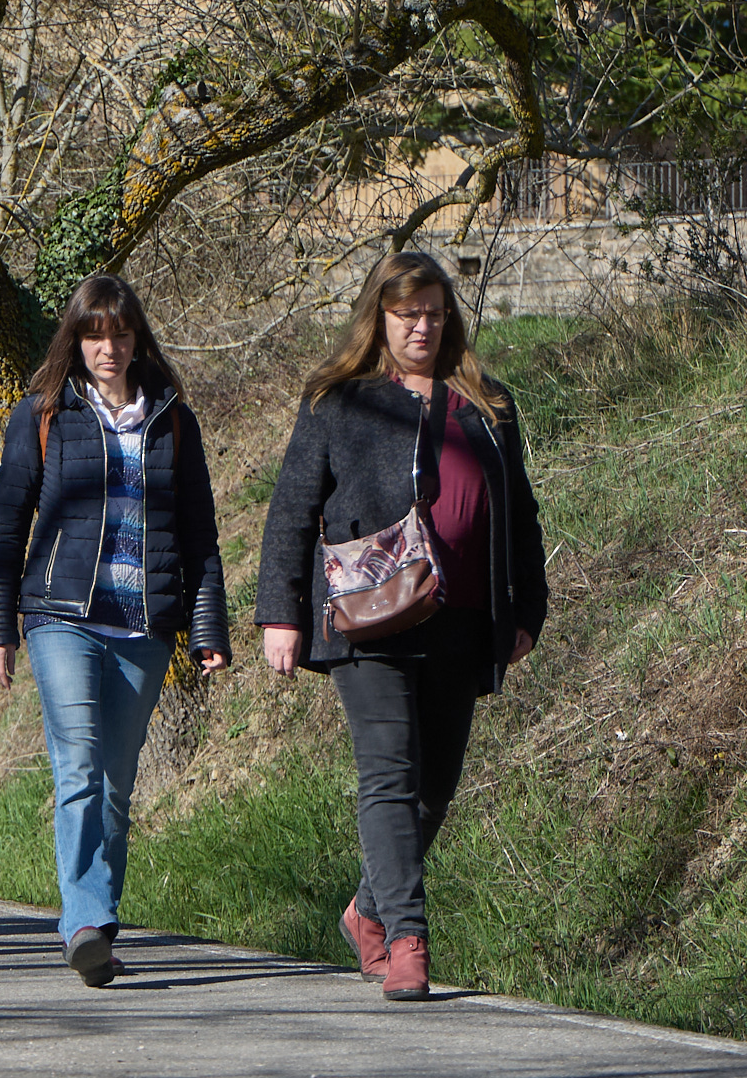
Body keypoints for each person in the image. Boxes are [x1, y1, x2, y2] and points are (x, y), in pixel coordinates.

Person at [257, 251, 548, 1002]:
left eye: (433, 312)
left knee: (435, 787)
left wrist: (526, 609)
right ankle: (409, 941)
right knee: (388, 775)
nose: (423, 325)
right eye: (406, 313)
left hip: (464, 616)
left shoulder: (487, 403)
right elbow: (290, 511)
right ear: (378, 318)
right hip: (371, 618)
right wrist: (279, 616)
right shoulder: (339, 401)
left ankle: (368, 909)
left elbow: (520, 515)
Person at [0, 274, 231, 986]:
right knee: (81, 764)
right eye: (94, 334)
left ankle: (98, 918)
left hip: (143, 625)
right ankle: (84, 922)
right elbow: (6, 523)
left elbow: (200, 533)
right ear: (76, 338)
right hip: (61, 617)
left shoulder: (172, 421)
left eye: (120, 334)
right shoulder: (45, 414)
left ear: (137, 339)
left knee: (117, 783)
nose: (108, 348)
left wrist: (207, 623)